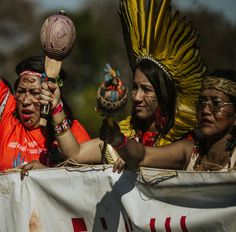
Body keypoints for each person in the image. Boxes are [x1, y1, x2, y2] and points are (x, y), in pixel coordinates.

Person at [39, 0, 207, 164]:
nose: (138, 97)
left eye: (146, 89)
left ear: (164, 94)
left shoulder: (186, 145)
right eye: (135, 88)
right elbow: (75, 154)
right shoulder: (123, 133)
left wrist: (119, 141)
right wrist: (56, 107)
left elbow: (140, 156)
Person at [0, 1, 91, 172]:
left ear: (50, 94)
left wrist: (47, 172)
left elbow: (89, 179)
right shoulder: (6, 117)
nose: (25, 100)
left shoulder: (72, 132)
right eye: (21, 92)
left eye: (34, 93)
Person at [111, 70, 236, 172]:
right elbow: (144, 156)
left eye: (216, 104)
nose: (205, 110)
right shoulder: (188, 150)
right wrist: (119, 140)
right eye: (201, 103)